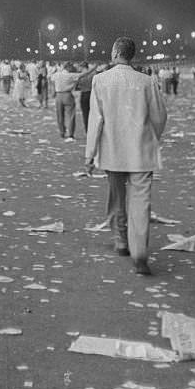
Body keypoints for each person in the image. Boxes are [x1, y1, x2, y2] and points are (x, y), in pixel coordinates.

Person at [85, 37, 168, 276]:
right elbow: (159, 116)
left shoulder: (101, 80)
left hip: (113, 150)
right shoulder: (147, 81)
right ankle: (139, 252)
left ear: (114, 53)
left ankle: (121, 239)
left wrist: (89, 154)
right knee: (141, 203)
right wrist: (153, 136)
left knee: (117, 195)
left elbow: (95, 120)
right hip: (141, 151)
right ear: (132, 55)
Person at [52, 61, 99, 142]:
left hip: (58, 95)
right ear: (68, 67)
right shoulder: (71, 75)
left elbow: (51, 79)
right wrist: (93, 68)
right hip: (67, 95)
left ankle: (62, 132)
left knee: (60, 115)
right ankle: (70, 134)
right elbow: (83, 74)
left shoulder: (57, 74)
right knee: (70, 115)